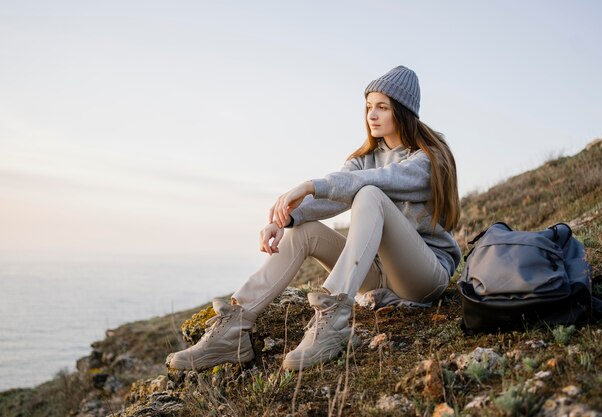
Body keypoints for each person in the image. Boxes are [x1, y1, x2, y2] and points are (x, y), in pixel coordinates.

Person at [166, 65, 461, 372]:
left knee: (370, 193)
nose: (372, 115)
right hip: (377, 273)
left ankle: (333, 320)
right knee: (303, 228)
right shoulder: (363, 158)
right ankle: (233, 329)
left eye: (382, 108)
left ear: (402, 112)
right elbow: (333, 196)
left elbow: (377, 180)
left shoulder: (426, 158)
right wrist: (283, 219)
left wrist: (310, 184)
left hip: (424, 277)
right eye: (369, 107)